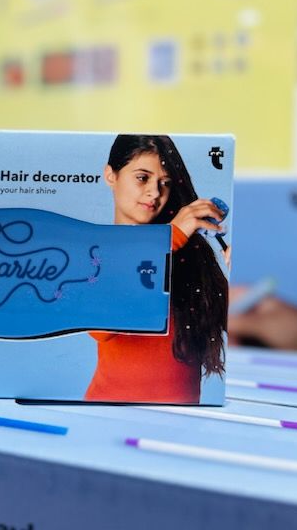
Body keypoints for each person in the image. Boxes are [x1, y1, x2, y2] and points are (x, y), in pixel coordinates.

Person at [85, 135, 229, 403]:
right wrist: (169, 238)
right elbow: (101, 326)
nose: (155, 192)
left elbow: (241, 324)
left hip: (180, 420)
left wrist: (240, 271)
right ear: (110, 175)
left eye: (165, 183)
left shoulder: (188, 255)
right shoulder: (96, 249)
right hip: (108, 413)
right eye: (142, 178)